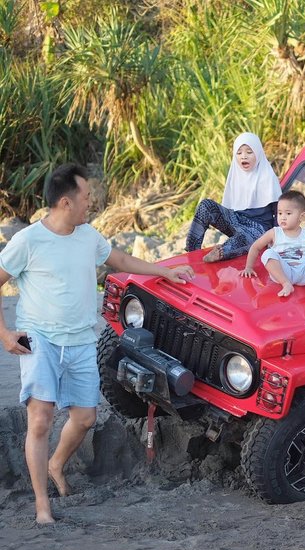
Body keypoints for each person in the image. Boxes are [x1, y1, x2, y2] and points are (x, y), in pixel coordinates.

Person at [0, 163, 195, 525]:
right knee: (40, 419)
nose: (91, 201)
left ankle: (57, 464)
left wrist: (165, 271)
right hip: (39, 338)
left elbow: (118, 259)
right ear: (64, 202)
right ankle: (43, 505)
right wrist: (5, 334)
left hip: (79, 340)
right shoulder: (28, 240)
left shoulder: (88, 235)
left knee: (85, 417)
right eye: (86, 196)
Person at [185, 132, 282, 262]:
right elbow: (229, 206)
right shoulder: (235, 174)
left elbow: (278, 211)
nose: (244, 156)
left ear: (258, 153)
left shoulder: (267, 176)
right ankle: (192, 251)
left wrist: (276, 239)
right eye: (239, 153)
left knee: (244, 238)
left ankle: (221, 252)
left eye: (249, 152)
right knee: (206, 205)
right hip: (236, 220)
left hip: (258, 228)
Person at [241, 190, 305, 308]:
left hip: (303, 274)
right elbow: (255, 247)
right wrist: (248, 267)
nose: (283, 217)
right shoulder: (274, 233)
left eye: (288, 213)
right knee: (268, 253)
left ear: (302, 216)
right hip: (282, 273)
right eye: (280, 213)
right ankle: (286, 284)